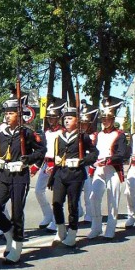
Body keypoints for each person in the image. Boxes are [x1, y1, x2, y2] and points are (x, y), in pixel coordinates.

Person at [0, 96, 46, 264]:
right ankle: (9, 234)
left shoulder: (26, 133)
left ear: (19, 115)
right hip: (5, 175)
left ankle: (17, 247)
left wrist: (29, 159)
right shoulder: (2, 133)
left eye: (11, 113)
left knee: (17, 212)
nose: (7, 116)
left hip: (20, 176)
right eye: (6, 113)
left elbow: (41, 150)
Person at [48, 105, 98, 247]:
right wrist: (56, 162)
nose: (67, 121)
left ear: (77, 120)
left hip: (75, 174)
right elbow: (58, 153)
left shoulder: (83, 137)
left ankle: (72, 233)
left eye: (70, 118)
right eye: (65, 118)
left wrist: (83, 161)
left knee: (73, 205)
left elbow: (95, 153)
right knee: (56, 203)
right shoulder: (60, 137)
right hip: (60, 173)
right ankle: (60, 229)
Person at [88, 96, 127, 239]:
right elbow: (94, 152)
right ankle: (96, 227)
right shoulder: (98, 135)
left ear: (113, 119)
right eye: (103, 119)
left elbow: (122, 154)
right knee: (94, 197)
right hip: (99, 169)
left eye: (108, 119)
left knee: (113, 198)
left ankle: (111, 228)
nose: (105, 121)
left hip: (113, 170)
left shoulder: (120, 135)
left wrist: (108, 160)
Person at [34, 98, 65, 232]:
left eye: (53, 117)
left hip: (57, 165)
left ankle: (55, 221)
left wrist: (56, 165)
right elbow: (43, 150)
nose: (51, 120)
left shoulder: (63, 132)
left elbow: (64, 151)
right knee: (38, 191)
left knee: (56, 194)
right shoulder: (46, 132)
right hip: (46, 164)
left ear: (59, 118)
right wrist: (36, 165)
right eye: (49, 117)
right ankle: (48, 215)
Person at [78, 104, 99, 223]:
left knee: (88, 191)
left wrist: (92, 166)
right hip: (79, 165)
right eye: (82, 123)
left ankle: (89, 214)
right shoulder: (78, 135)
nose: (83, 126)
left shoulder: (94, 136)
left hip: (89, 166)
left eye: (86, 123)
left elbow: (94, 152)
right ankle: (78, 210)